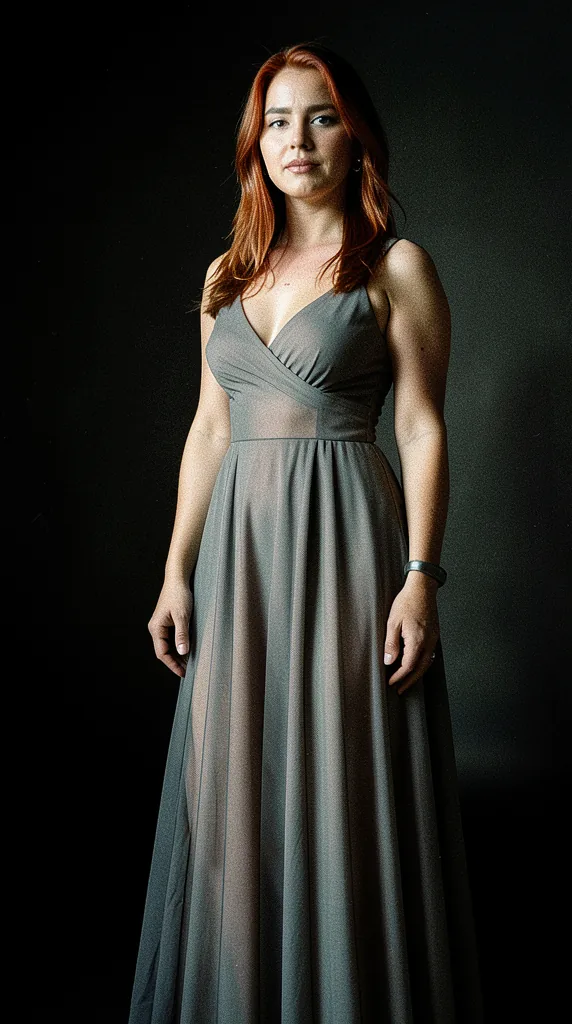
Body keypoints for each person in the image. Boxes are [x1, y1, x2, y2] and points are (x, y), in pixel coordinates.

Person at [128, 41, 483, 1024]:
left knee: (343, 775)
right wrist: (175, 571)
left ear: (354, 135)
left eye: (320, 117)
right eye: (278, 121)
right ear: (257, 145)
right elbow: (211, 429)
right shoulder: (227, 273)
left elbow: (421, 427)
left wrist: (420, 576)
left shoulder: (396, 266)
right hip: (239, 560)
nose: (299, 139)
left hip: (348, 549)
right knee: (234, 786)